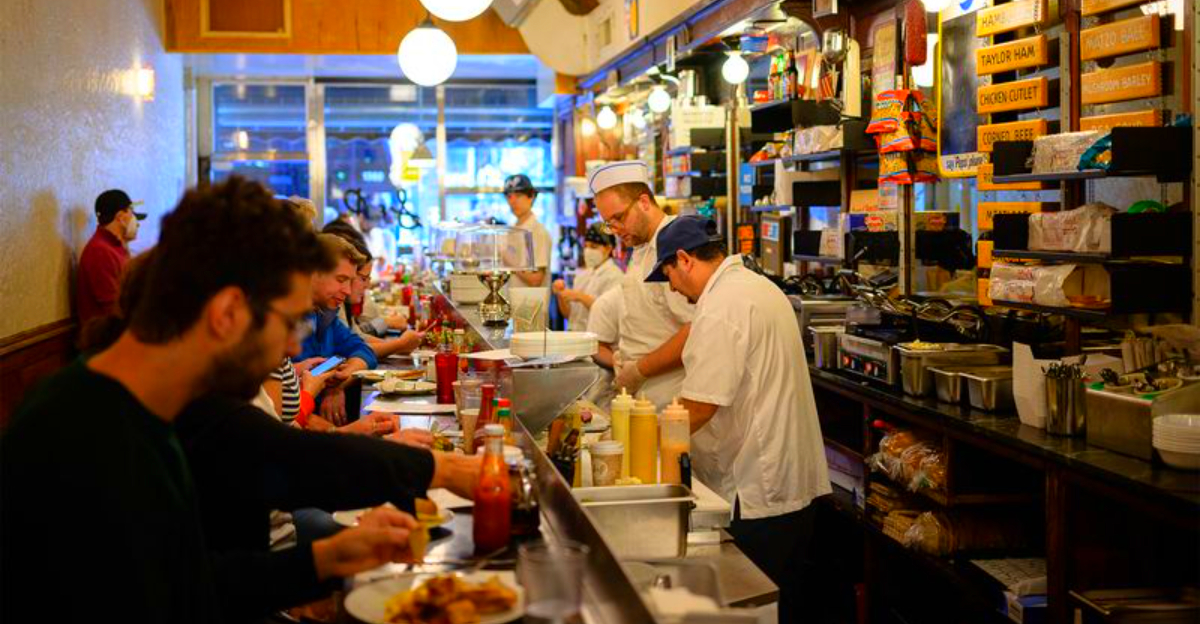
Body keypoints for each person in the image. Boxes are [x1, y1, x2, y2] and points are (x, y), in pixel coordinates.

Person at [1, 177, 419, 624]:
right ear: (226, 314)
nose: (295, 349)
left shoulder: (169, 399)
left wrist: (329, 560)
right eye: (288, 321)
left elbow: (187, 577)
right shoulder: (82, 431)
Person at [646, 215, 832, 624]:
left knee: (756, 609)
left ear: (684, 259)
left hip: (760, 491)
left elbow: (698, 407)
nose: (673, 289)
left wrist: (642, 449)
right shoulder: (753, 286)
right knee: (786, 602)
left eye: (669, 276)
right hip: (785, 484)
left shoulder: (721, 308)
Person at [589, 161, 694, 408]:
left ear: (644, 202)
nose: (615, 230)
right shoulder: (640, 245)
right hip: (647, 397)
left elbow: (695, 329)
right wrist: (624, 356)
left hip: (674, 397)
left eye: (619, 218)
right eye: (608, 223)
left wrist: (639, 369)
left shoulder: (674, 243)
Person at [300, 233, 379, 424]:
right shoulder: (280, 321)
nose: (348, 291)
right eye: (340, 279)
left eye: (350, 281)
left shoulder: (325, 314)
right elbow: (278, 413)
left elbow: (364, 351)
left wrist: (338, 384)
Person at [76, 188, 147, 328]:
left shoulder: (115, 248)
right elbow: (113, 309)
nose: (137, 223)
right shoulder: (100, 251)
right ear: (121, 217)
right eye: (132, 214)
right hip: (104, 341)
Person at [554, 222, 624, 332]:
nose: (588, 251)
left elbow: (609, 314)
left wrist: (580, 297)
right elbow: (570, 316)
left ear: (608, 248)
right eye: (586, 246)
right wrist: (561, 295)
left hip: (596, 339)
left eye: (594, 247)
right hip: (574, 336)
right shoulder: (582, 276)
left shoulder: (615, 277)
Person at [504, 173, 552, 287]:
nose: (513, 201)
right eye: (509, 196)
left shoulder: (537, 231)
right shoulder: (513, 229)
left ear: (531, 197)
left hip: (530, 302)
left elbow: (536, 279)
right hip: (512, 300)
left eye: (518, 195)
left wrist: (509, 262)